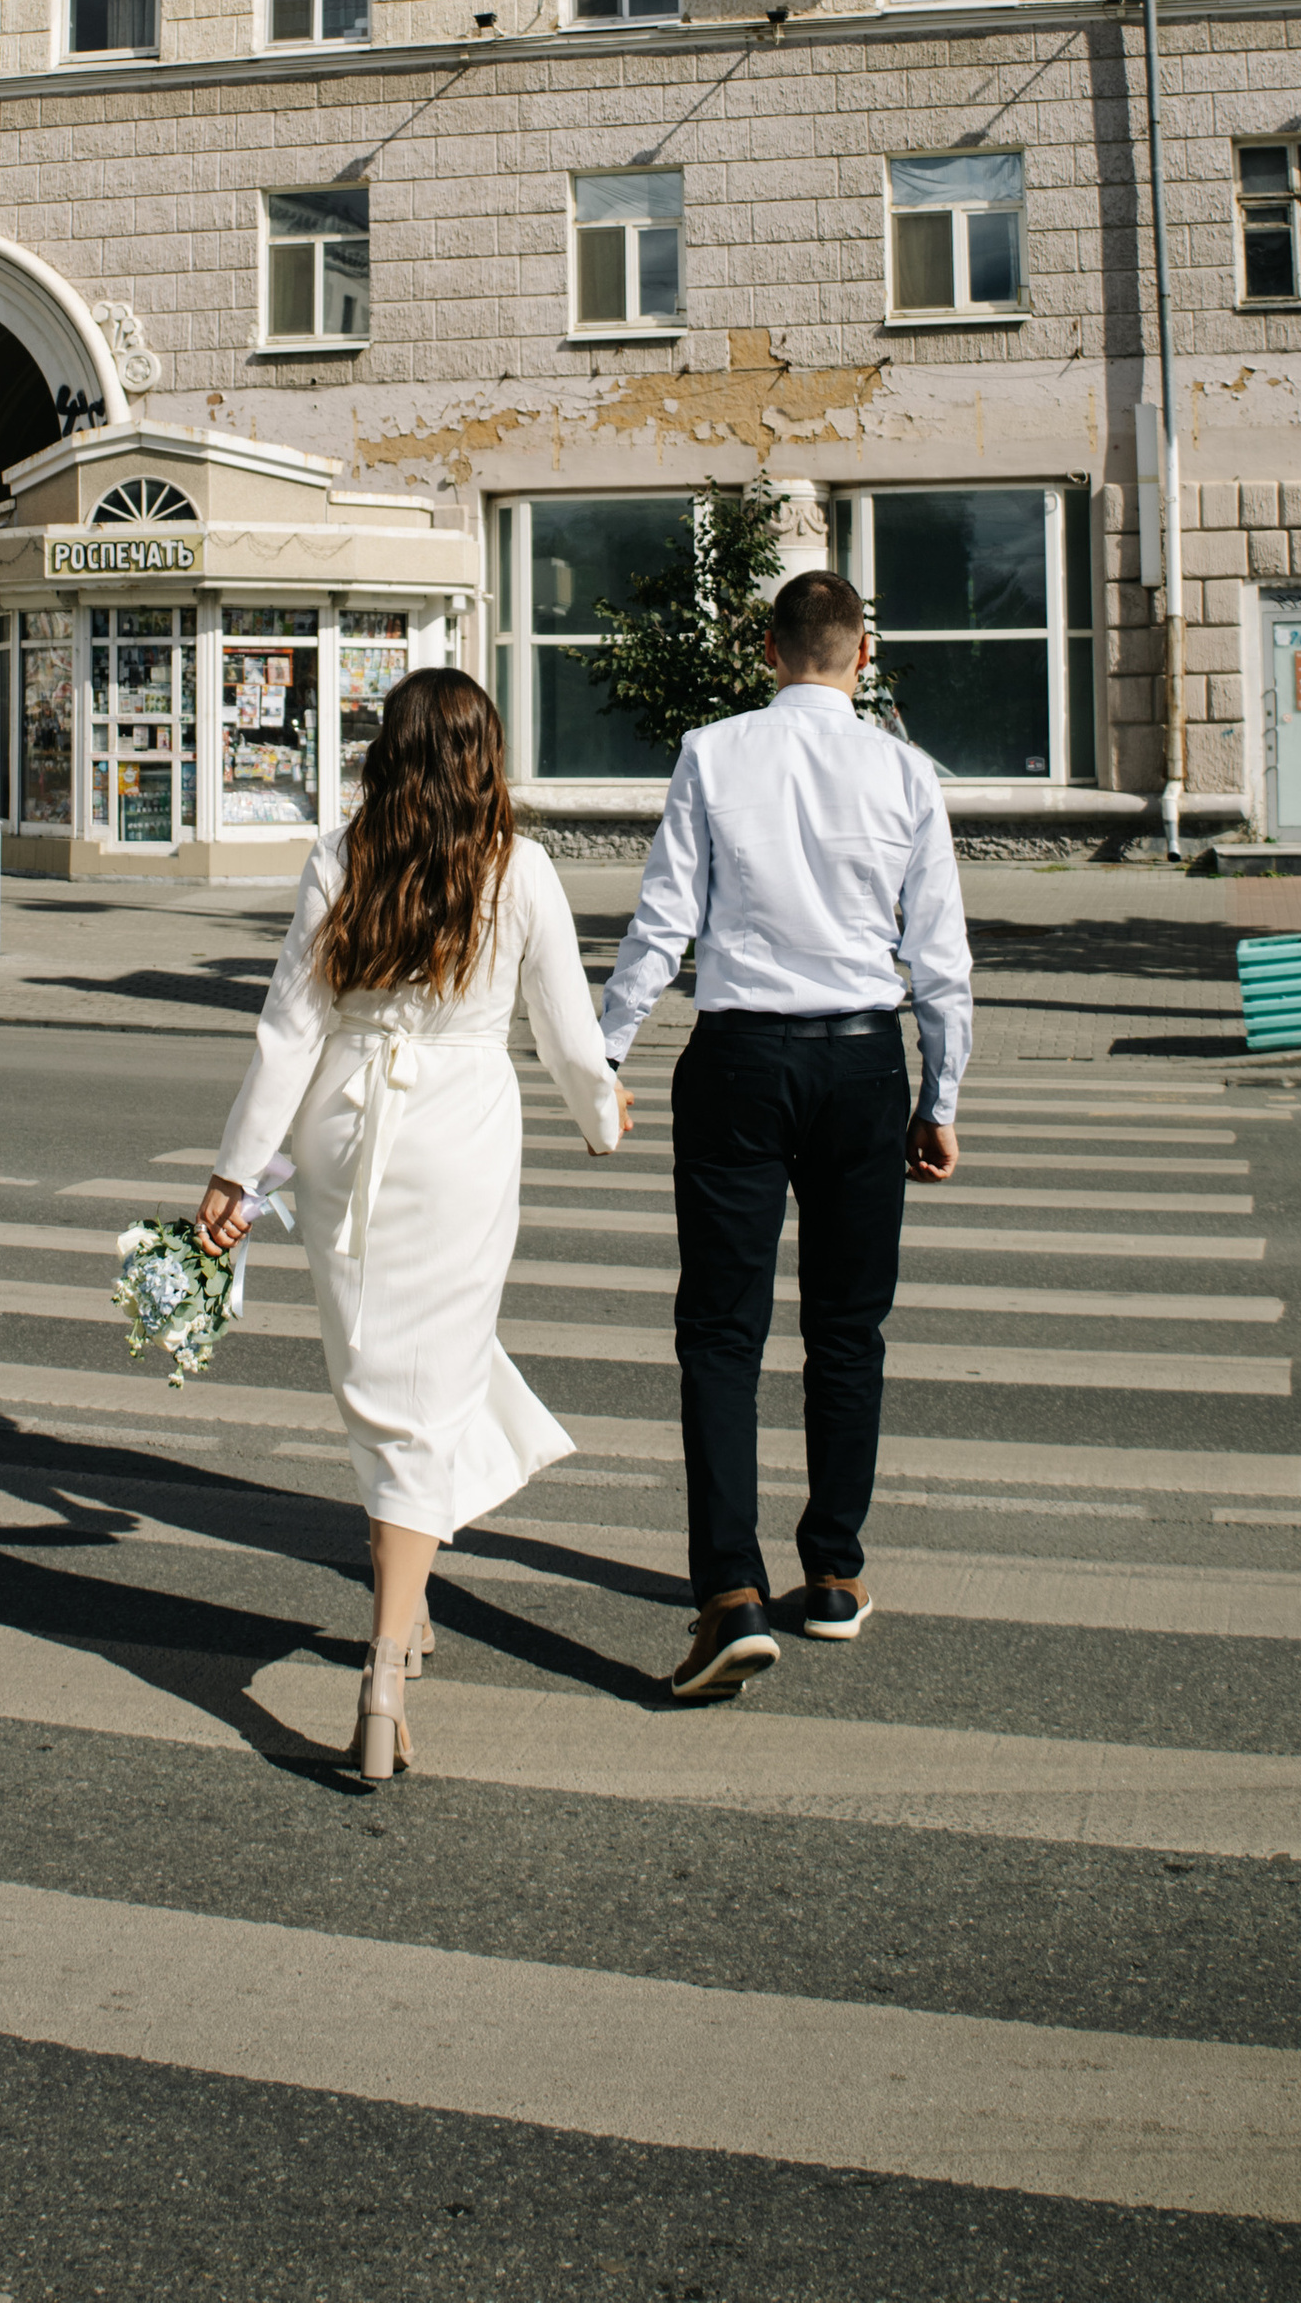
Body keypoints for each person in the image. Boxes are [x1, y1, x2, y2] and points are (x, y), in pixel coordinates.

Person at [195, 668, 630, 1783]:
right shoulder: (520, 867)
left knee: (387, 1375)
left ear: (386, 752)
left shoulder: (343, 856)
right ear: (486, 754)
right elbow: (567, 1033)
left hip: (348, 1129)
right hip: (460, 1135)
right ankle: (387, 1660)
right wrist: (602, 1115)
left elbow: (287, 1030)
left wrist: (238, 1173)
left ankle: (409, 1601)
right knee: (423, 1382)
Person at [599, 567, 972, 1702]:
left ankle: (728, 1591)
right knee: (848, 1332)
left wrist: (602, 1052)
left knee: (719, 1330)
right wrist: (938, 1097)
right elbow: (940, 956)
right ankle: (836, 1575)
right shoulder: (906, 772)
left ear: (768, 652)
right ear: (863, 657)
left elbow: (664, 918)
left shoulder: (713, 753)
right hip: (862, 1060)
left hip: (737, 1059)